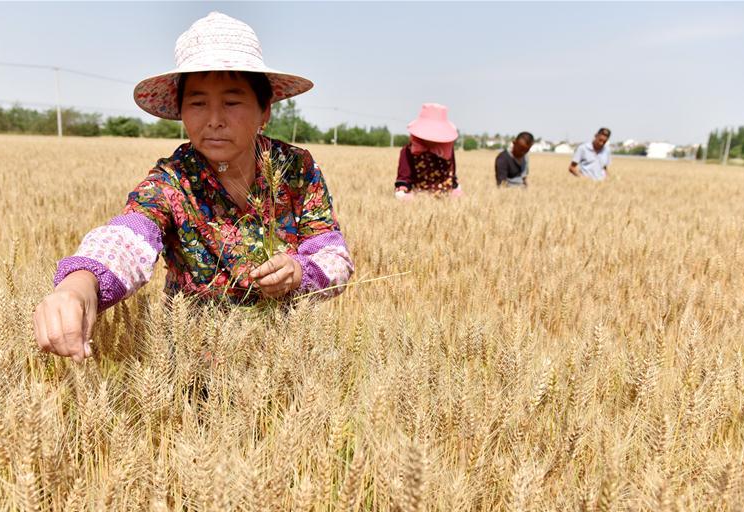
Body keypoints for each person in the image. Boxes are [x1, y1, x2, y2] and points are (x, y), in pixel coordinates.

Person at [33, 12, 354, 362]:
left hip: (284, 357)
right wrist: (79, 285)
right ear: (181, 112)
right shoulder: (172, 181)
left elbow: (334, 257)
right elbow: (129, 234)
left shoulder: (297, 169)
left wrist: (299, 272)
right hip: (192, 365)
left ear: (265, 111)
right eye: (198, 103)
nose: (214, 118)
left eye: (232, 102)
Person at [394, 103, 462, 200]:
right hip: (417, 196)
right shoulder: (408, 151)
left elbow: (452, 174)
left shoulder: (448, 149)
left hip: (445, 196)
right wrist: (402, 190)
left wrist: (455, 188)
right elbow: (404, 178)